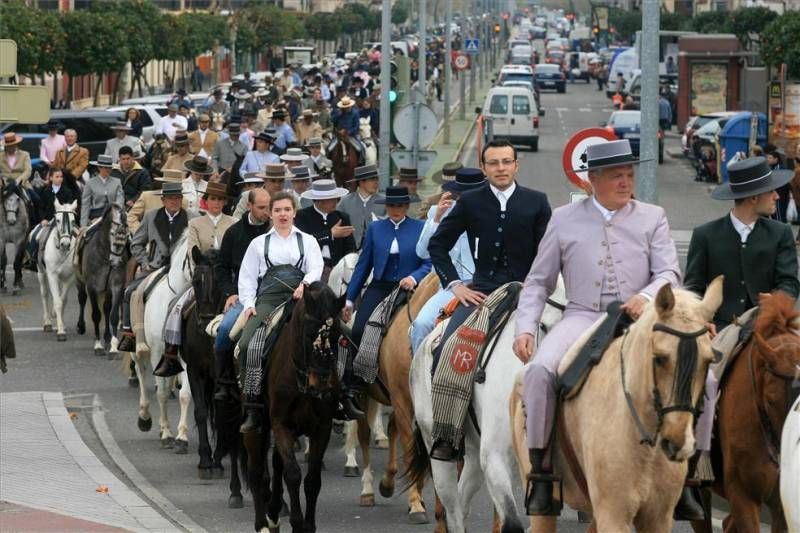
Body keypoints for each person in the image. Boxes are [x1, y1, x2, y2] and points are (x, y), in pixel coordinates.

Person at [513, 139, 682, 517]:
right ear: (593, 180)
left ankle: (694, 472)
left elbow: (669, 271)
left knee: (701, 372)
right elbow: (538, 281)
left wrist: (648, 294)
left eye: (629, 175)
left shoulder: (653, 216)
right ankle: (541, 472)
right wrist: (525, 328)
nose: (626, 182)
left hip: (641, 321)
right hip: (582, 316)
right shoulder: (563, 219)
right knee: (539, 372)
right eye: (617, 176)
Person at [426, 139, 552, 462]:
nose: (501, 168)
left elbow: (551, 252)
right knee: (445, 349)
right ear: (484, 168)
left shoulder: (537, 202)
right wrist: (456, 286)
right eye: (494, 163)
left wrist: (540, 286)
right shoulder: (469, 202)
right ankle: (448, 431)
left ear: (516, 165)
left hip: (529, 295)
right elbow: (438, 245)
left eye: (506, 162)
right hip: (481, 295)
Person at [339, 186, 432, 418]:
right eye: (392, 206)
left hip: (409, 289)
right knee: (358, 329)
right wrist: (350, 299)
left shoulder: (420, 228)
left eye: (400, 206)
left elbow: (429, 263)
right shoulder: (375, 229)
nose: (396, 210)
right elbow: (363, 266)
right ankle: (354, 385)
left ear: (407, 206)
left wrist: (414, 277)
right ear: (386, 206)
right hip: (380, 287)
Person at [237, 191, 325, 432]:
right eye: (277, 210)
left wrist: (304, 285)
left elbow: (317, 267)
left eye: (287, 210)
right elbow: (246, 278)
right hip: (269, 298)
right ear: (270, 214)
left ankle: (342, 395)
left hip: (302, 297)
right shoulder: (258, 244)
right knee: (247, 344)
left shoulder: (308, 241)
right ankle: (253, 404)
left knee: (338, 334)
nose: (283, 214)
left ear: (294, 212)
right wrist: (249, 304)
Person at [685, 156, 799, 331]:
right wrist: (701, 323)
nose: (777, 196)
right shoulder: (705, 235)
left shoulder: (781, 233)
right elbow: (693, 290)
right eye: (771, 191)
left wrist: (777, 299)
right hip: (719, 328)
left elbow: (789, 282)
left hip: (769, 325)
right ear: (753, 198)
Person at [156, 181, 236, 376]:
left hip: (227, 279)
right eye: (212, 199)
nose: (216, 203)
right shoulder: (195, 224)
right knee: (176, 305)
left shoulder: (233, 223)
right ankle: (171, 353)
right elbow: (193, 252)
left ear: (224, 202)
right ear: (205, 201)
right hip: (203, 277)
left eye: (219, 199)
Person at [410, 168, 485, 354]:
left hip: (484, 284)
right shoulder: (437, 211)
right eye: (460, 194)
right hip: (449, 285)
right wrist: (436, 219)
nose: (463, 199)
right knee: (420, 324)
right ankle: (419, 375)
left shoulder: (491, 212)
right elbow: (422, 252)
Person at [118, 181, 193, 353]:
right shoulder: (151, 216)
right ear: (163, 200)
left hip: (181, 270)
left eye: (177, 198)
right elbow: (136, 244)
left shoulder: (191, 217)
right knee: (130, 291)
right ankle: (129, 334)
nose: (174, 201)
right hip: (155, 268)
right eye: (170, 198)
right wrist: (145, 262)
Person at [213, 188, 272, 402]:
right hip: (243, 294)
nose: (267, 212)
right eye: (262, 208)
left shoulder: (277, 230)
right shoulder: (234, 233)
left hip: (274, 294)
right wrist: (230, 293)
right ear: (249, 206)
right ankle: (224, 380)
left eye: (269, 207)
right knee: (225, 330)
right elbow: (221, 267)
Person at [295, 179, 356, 280]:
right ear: (319, 201)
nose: (336, 202)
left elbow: (350, 247)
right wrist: (330, 234)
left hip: (339, 270)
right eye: (331, 199)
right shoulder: (301, 216)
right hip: (311, 269)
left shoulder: (342, 217)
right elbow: (302, 243)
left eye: (336, 198)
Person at [26, 167, 81, 269]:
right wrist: (43, 219)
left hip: (64, 221)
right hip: (48, 220)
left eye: (61, 177)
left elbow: (69, 207)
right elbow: (41, 207)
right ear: (51, 178)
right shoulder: (45, 191)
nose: (60, 179)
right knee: (34, 236)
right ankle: (33, 259)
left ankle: (79, 259)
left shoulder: (67, 192)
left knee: (79, 236)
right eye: (57, 177)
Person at [336, 164, 386, 248]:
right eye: (372, 179)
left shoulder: (385, 201)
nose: (376, 182)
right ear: (361, 182)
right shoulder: (345, 201)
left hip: (378, 248)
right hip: (351, 250)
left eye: (377, 179)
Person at [127, 169, 188, 234]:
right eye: (169, 183)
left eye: (175, 184)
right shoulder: (147, 196)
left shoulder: (184, 201)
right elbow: (132, 216)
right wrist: (141, 233)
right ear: (164, 183)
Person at [80, 154, 124, 227]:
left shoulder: (117, 182)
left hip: (113, 214)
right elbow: (85, 205)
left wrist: (116, 213)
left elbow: (120, 200)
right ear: (99, 168)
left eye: (109, 168)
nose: (108, 170)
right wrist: (83, 225)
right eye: (105, 168)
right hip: (96, 216)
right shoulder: (90, 183)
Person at [764, 144, 791, 223]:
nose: (767, 159)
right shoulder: (773, 167)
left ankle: (781, 232)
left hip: (779, 196)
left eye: (770, 158)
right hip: (777, 195)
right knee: (776, 215)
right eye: (767, 157)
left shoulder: (779, 169)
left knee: (779, 216)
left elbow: (778, 184)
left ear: (776, 159)